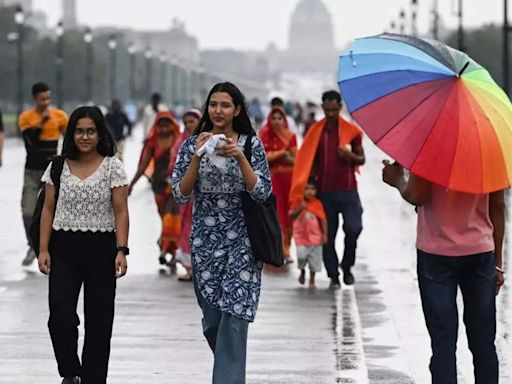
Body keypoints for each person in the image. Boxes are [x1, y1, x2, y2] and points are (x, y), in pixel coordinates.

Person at [171, 82, 271, 384]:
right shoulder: (192, 145)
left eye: (225, 105)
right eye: (213, 104)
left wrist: (240, 157)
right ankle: (229, 369)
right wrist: (198, 155)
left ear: (237, 109)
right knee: (213, 321)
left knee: (235, 317)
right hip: (204, 242)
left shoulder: (251, 145)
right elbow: (180, 194)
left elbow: (262, 191)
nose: (218, 110)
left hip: (243, 241)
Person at [382, 161, 505, 384]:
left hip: (435, 254)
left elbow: (417, 195)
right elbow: (497, 206)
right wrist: (497, 264)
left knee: (443, 342)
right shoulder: (486, 151)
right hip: (479, 253)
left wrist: (397, 179)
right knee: (483, 342)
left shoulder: (432, 147)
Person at [38, 106, 129, 384]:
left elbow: (121, 211)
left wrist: (121, 250)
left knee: (100, 320)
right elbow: (47, 209)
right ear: (72, 133)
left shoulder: (113, 166)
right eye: (79, 131)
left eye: (91, 131)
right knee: (60, 316)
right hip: (64, 248)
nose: (85, 136)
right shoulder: (57, 166)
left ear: (100, 133)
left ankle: (93, 378)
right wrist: (43, 249)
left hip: (102, 249)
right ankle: (70, 371)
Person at [290, 90, 365, 288]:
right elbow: (307, 160)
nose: (331, 113)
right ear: (323, 108)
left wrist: (349, 157)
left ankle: (347, 266)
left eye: (334, 109)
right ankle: (333, 275)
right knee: (327, 235)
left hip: (348, 191)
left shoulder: (351, 132)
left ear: (340, 107)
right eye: (327, 109)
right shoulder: (316, 132)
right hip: (324, 193)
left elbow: (361, 159)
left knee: (353, 228)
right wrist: (307, 186)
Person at [19, 82, 68, 266]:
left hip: (52, 171)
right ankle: (33, 244)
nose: (46, 102)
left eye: (48, 98)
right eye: (42, 99)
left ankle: (50, 247)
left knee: (53, 209)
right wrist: (41, 123)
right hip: (32, 170)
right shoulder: (26, 117)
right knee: (28, 210)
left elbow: (70, 138)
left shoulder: (60, 116)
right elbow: (29, 141)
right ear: (34, 99)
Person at [129, 111, 181, 270]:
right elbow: (143, 165)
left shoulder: (178, 140)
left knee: (171, 218)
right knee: (164, 219)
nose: (164, 128)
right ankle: (169, 249)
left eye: (167, 124)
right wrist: (131, 184)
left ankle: (168, 252)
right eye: (161, 124)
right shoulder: (152, 143)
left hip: (176, 186)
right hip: (158, 186)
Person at [259, 106, 297, 262]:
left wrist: (276, 157)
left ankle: (286, 249)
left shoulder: (290, 136)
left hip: (288, 180)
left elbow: (295, 159)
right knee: (275, 214)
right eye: (273, 118)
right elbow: (262, 158)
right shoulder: (263, 135)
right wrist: (281, 154)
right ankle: (276, 250)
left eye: (279, 118)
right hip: (271, 181)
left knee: (288, 214)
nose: (276, 121)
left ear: (284, 120)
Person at [170, 108, 202, 281]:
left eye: (192, 121)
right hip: (185, 195)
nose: (189, 125)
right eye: (186, 122)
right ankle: (189, 267)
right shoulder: (181, 144)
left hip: (201, 197)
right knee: (186, 228)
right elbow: (173, 166)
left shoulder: (207, 141)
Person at [289, 179, 327, 288]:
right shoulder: (297, 202)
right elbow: (291, 216)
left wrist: (325, 234)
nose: (309, 192)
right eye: (306, 189)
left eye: (312, 189)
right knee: (301, 257)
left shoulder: (317, 204)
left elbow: (323, 219)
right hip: (301, 237)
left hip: (315, 238)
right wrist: (300, 208)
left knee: (314, 261)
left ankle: (312, 279)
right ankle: (302, 271)